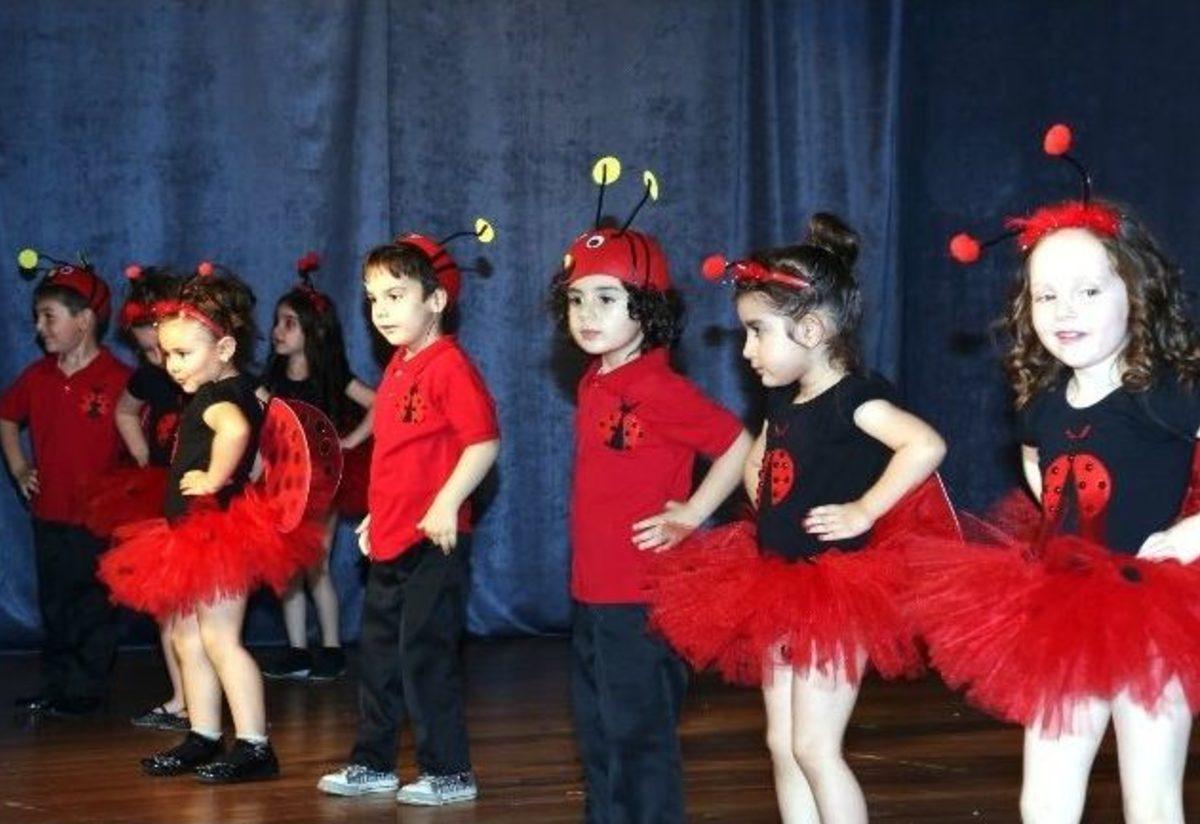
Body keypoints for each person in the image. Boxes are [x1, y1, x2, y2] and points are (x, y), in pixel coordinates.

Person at [917, 125, 1200, 824]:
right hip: (1063, 606)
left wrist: (1193, 534)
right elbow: (1039, 464)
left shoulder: (1164, 393)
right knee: (1043, 798)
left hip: (1154, 608)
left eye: (1088, 291)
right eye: (1046, 296)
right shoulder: (1040, 401)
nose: (1064, 310)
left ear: (1136, 295)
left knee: (1151, 796)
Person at [645, 214, 953, 824]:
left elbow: (924, 445)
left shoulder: (856, 399)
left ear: (811, 329)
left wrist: (865, 509)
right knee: (782, 743)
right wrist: (765, 500)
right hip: (778, 582)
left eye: (757, 332)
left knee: (815, 746)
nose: (746, 350)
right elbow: (763, 455)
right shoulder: (784, 397)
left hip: (835, 592)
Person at [552, 157, 752, 823]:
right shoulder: (595, 380)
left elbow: (737, 443)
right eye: (577, 299)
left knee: (639, 737)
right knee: (598, 730)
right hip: (592, 593)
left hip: (642, 594)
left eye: (606, 299)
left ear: (647, 306)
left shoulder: (660, 387)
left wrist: (692, 512)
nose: (587, 313)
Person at [98, 263, 324, 783]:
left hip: (217, 533)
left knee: (220, 640)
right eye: (167, 354)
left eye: (183, 354)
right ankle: (202, 734)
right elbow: (264, 441)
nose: (172, 366)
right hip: (191, 533)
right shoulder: (240, 386)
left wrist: (215, 477)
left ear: (223, 349)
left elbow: (237, 430)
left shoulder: (218, 397)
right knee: (187, 639)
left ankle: (254, 745)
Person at [318, 222, 499, 807]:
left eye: (396, 296)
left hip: (434, 541)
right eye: (373, 298)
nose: (381, 310)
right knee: (378, 656)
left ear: (436, 300)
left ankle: (449, 772)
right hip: (393, 537)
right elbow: (396, 457)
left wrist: (447, 502)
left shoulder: (449, 366)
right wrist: (376, 516)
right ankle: (373, 763)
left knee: (425, 655)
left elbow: (483, 443)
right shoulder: (397, 367)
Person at [1, 251, 129, 717]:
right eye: (37, 318)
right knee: (54, 603)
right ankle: (56, 684)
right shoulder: (38, 376)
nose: (40, 328)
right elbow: (7, 416)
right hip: (50, 512)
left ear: (85, 320)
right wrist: (20, 468)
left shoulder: (119, 379)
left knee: (93, 606)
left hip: (99, 520)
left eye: (49, 317)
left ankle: (86, 689)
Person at [262, 251, 374, 683]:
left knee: (316, 565)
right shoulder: (272, 379)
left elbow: (380, 404)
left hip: (322, 484)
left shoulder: (333, 377)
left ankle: (330, 646)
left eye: (289, 323)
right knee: (287, 568)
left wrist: (352, 440)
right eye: (277, 321)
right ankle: (297, 650)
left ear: (315, 330)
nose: (277, 331)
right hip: (280, 483)